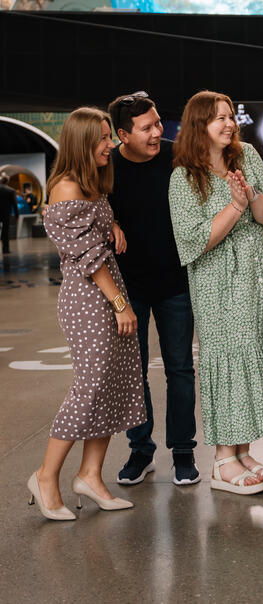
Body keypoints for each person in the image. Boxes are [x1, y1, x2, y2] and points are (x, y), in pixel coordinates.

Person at [29, 107, 145, 521]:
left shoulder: (91, 184)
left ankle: (91, 475)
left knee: (113, 384)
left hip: (107, 292)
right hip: (90, 299)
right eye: (102, 138)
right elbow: (88, 256)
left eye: (109, 136)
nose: (110, 144)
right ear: (81, 142)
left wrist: (113, 225)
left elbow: (92, 233)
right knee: (91, 387)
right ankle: (45, 477)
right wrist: (120, 304)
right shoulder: (65, 187)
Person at [169, 91, 263, 495]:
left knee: (251, 354)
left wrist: (250, 196)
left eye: (230, 116)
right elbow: (194, 240)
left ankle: (243, 452)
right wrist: (234, 207)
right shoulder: (184, 177)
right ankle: (222, 461)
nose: (229, 124)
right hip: (218, 283)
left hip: (256, 278)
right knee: (229, 359)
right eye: (218, 118)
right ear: (199, 125)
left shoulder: (247, 156)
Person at [107, 91, 199, 487]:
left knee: (180, 370)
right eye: (147, 128)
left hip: (175, 283)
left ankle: (183, 451)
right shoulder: (108, 166)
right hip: (129, 288)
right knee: (135, 371)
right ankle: (141, 450)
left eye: (158, 123)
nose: (158, 132)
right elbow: (90, 201)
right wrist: (110, 222)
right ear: (123, 135)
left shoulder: (177, 156)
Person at [0, 172, 18, 254]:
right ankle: (5, 249)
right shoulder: (11, 190)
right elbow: (14, 204)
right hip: (6, 214)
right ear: (7, 181)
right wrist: (17, 215)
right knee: (5, 231)